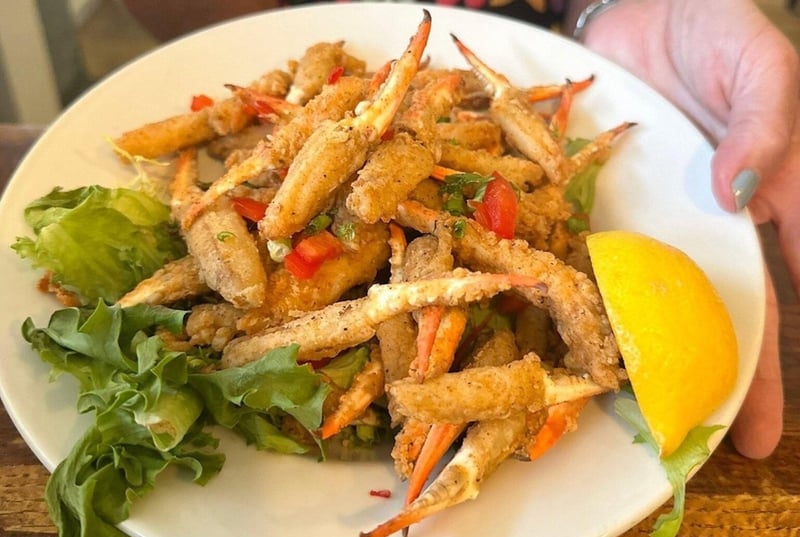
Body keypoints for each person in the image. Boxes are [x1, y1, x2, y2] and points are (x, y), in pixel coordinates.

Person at [122, 0, 798, 459]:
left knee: (462, 278)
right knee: (308, 271)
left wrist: (627, 7)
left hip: (471, 157)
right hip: (315, 137)